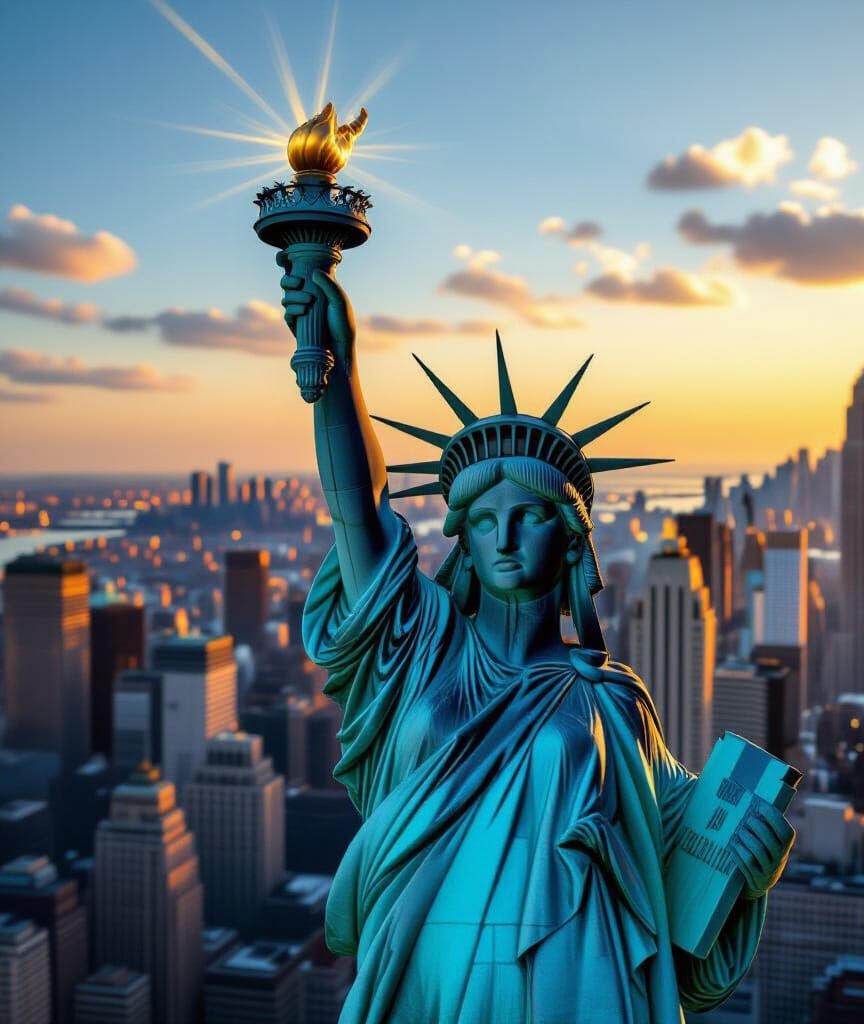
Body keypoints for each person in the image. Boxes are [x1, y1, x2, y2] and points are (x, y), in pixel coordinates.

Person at [279, 256, 795, 1023]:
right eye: (483, 521)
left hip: (576, 976)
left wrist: (751, 861)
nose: (505, 537)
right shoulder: (423, 647)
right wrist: (340, 373)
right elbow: (359, 511)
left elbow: (679, 856)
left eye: (529, 515)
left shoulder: (611, 700)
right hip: (427, 963)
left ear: (573, 539)